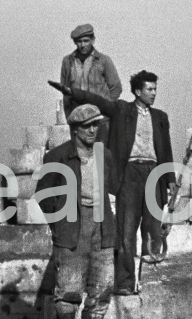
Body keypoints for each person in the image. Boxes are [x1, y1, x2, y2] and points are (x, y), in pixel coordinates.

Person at [49, 70, 174, 294]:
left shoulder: (160, 117)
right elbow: (98, 101)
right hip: (130, 175)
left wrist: (170, 179)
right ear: (138, 91)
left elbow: (166, 150)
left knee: (153, 231)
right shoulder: (122, 110)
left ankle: (153, 285)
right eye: (150, 89)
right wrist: (71, 92)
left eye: (155, 89)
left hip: (154, 173)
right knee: (126, 233)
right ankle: (125, 285)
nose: (154, 93)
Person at [36, 103, 119, 319]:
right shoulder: (58, 157)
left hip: (102, 225)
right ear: (75, 129)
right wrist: (60, 222)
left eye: (96, 125)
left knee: (102, 285)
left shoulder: (105, 155)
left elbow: (114, 186)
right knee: (69, 290)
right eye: (87, 126)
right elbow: (43, 195)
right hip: (72, 227)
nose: (93, 130)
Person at [59, 23, 122, 145]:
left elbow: (116, 88)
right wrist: (69, 117)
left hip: (100, 121)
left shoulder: (104, 60)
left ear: (93, 40)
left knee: (99, 157)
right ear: (75, 42)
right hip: (78, 121)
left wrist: (105, 109)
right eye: (79, 41)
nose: (82, 45)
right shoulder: (67, 61)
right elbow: (65, 91)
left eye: (86, 41)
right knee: (79, 158)